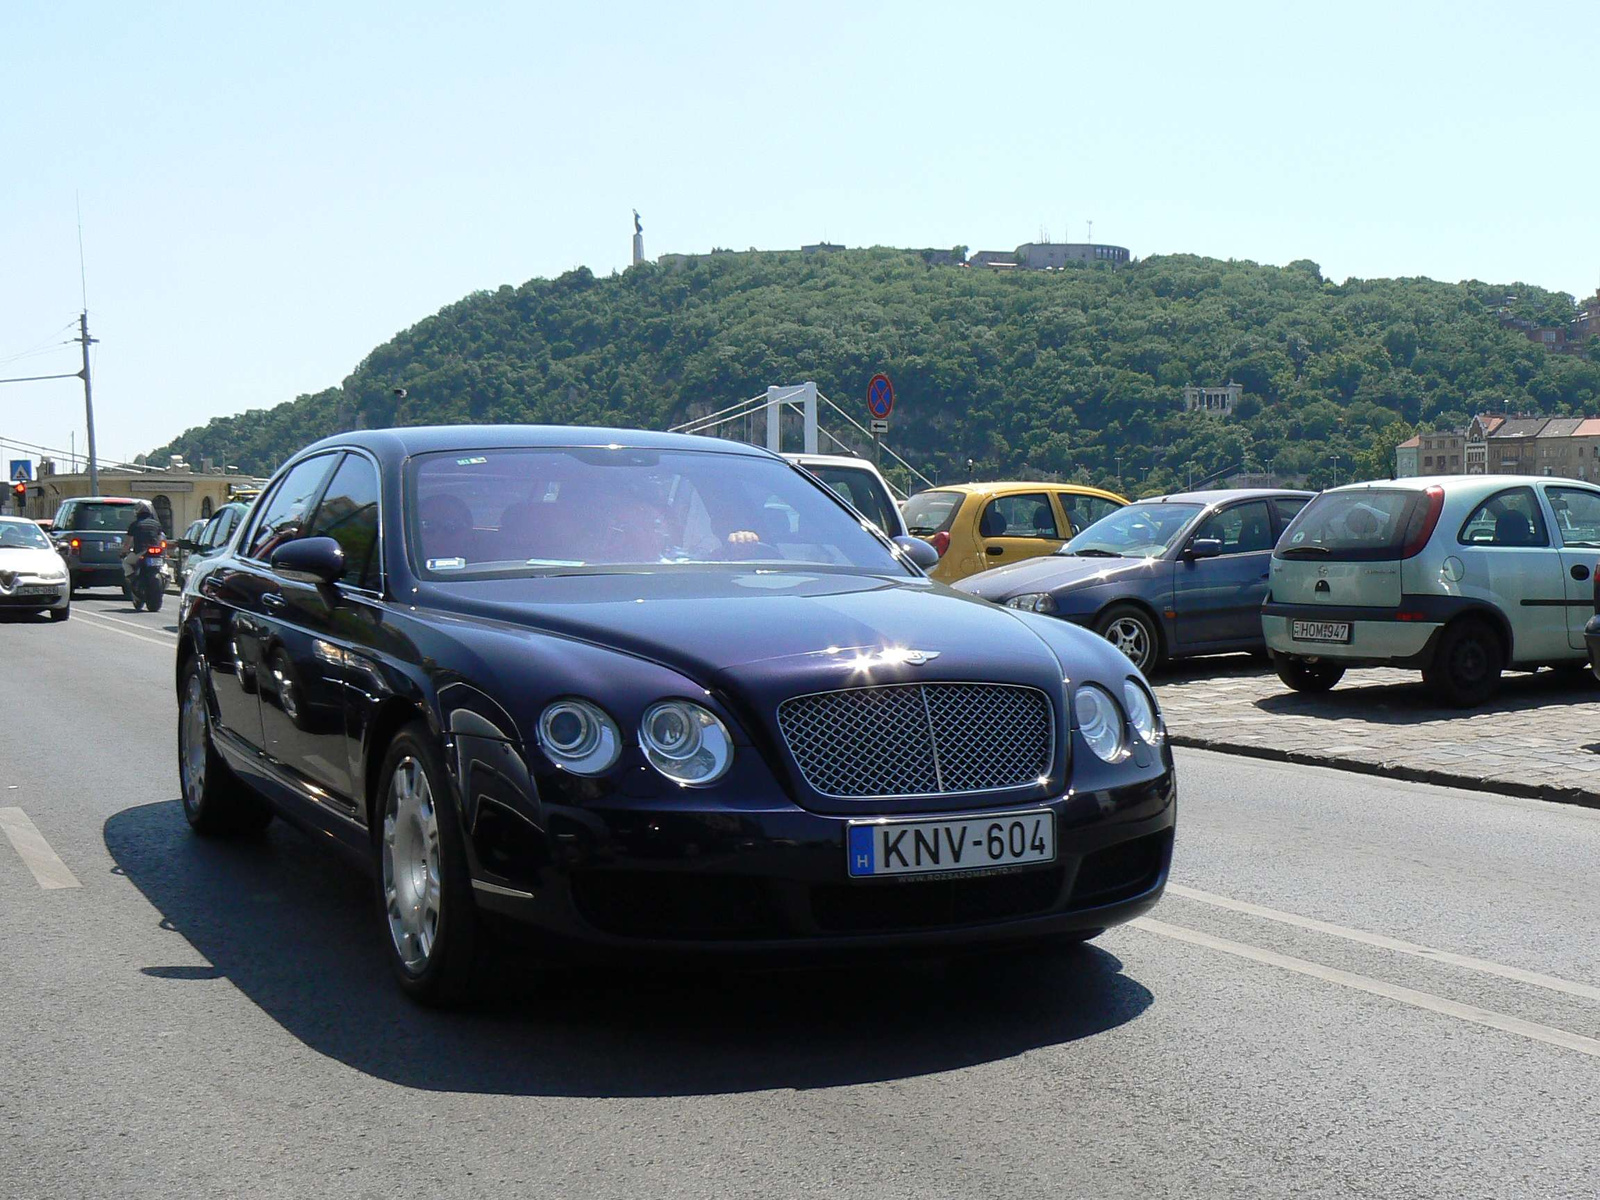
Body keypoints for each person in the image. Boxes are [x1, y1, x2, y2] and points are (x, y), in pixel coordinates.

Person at [122, 502, 164, 585]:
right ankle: (165, 575)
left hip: (141, 551)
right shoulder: (157, 524)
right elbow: (160, 540)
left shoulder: (134, 525)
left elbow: (128, 543)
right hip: (156, 552)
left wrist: (123, 552)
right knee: (163, 564)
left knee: (126, 562)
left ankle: (132, 578)